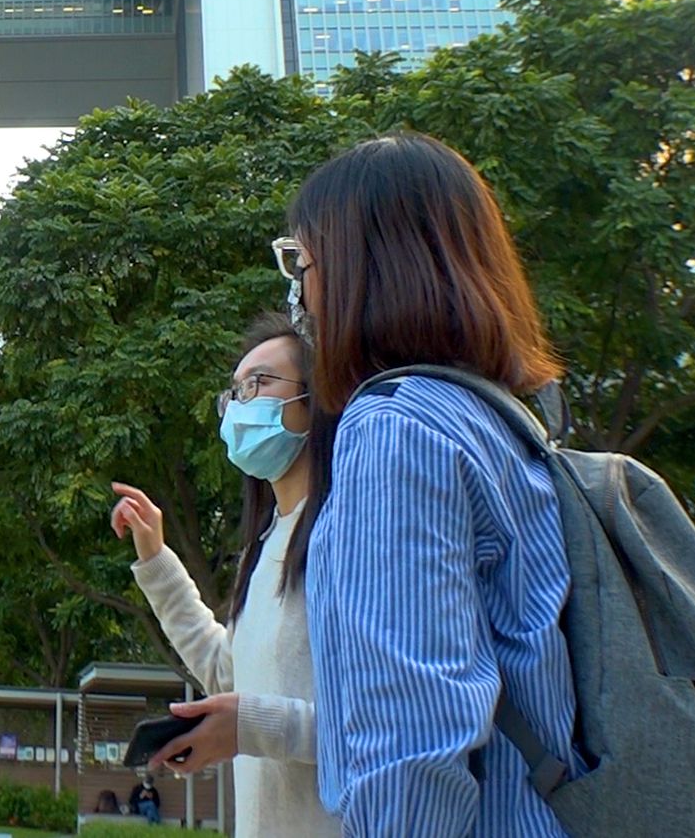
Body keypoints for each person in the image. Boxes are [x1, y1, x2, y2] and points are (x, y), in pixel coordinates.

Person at [286, 133, 578, 835]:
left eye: (305, 264)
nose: (302, 294)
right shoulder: (500, 422)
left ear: (360, 270)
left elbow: (411, 736)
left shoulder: (394, 429)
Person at [109, 314, 338, 836]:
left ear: (315, 400)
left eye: (259, 383)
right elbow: (226, 673)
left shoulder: (347, 536)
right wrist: (155, 558)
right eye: (234, 392)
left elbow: (391, 726)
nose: (240, 405)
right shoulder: (264, 547)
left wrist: (250, 726)